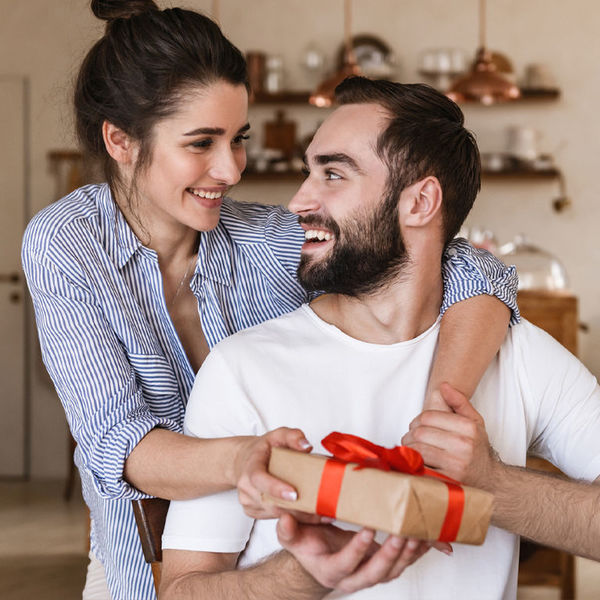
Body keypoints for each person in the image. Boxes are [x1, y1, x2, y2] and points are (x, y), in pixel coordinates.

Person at [21, 3, 519, 599]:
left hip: (280, 555)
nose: (231, 169)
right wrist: (246, 460)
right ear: (121, 141)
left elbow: (472, 267)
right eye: (202, 143)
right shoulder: (65, 243)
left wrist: (437, 421)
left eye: (238, 139)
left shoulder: (267, 239)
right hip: (140, 564)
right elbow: (115, 445)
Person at [159, 77, 600, 600]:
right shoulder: (243, 368)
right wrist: (303, 574)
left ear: (420, 203)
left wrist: (492, 484)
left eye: (333, 174)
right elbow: (180, 591)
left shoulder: (519, 354)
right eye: (308, 172)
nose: (299, 201)